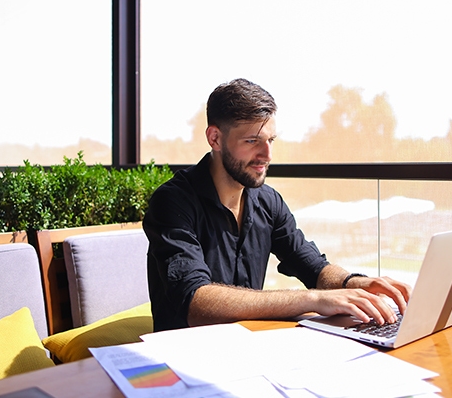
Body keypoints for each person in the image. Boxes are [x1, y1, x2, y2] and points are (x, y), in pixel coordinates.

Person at [143, 78, 412, 332]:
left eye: (270, 140)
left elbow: (313, 266)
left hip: (250, 348)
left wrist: (356, 283)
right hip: (183, 357)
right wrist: (313, 300)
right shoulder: (172, 202)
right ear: (215, 138)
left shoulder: (267, 202)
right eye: (252, 141)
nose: (267, 155)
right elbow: (195, 301)